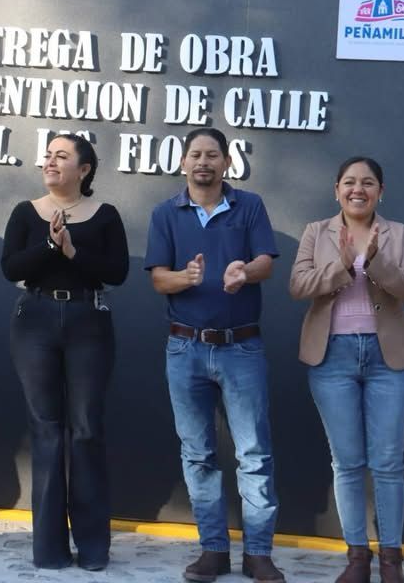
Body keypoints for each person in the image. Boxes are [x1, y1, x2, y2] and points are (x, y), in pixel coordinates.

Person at [145, 127, 284, 583]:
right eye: (195, 154)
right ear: (183, 162)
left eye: (212, 155)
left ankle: (258, 553)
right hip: (185, 347)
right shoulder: (165, 213)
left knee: (254, 453)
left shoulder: (250, 206)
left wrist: (245, 272)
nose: (203, 162)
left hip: (241, 346)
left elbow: (266, 262)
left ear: (227, 162)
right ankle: (213, 549)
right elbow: (158, 279)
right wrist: (185, 278)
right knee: (198, 454)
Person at [289, 157, 404, 583]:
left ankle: (391, 561)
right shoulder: (316, 232)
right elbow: (298, 286)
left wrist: (376, 261)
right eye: (349, 182)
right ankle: (357, 558)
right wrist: (343, 265)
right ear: (337, 190)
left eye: (368, 182)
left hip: (389, 358)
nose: (358, 189)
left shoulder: (399, 233)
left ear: (381, 191)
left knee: (388, 463)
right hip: (332, 357)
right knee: (346, 462)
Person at [1, 134, 128, 571]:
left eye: (62, 156)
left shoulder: (105, 214)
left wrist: (73, 251)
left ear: (84, 169)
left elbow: (118, 271)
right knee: (46, 430)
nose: (50, 162)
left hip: (88, 321)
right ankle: (49, 549)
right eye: (48, 156)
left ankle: (93, 547)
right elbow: (10, 267)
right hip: (34, 321)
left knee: (87, 429)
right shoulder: (25, 212)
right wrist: (50, 246)